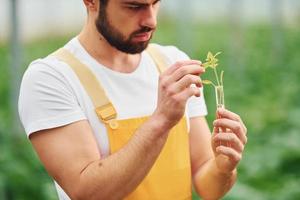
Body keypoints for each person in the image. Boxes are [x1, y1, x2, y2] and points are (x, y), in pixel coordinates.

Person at [18, 0, 247, 199]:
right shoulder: (52, 78)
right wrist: (162, 120)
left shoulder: (172, 62)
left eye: (155, 3)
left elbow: (207, 187)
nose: (151, 20)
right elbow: (87, 191)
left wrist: (224, 166)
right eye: (134, 6)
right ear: (91, 1)